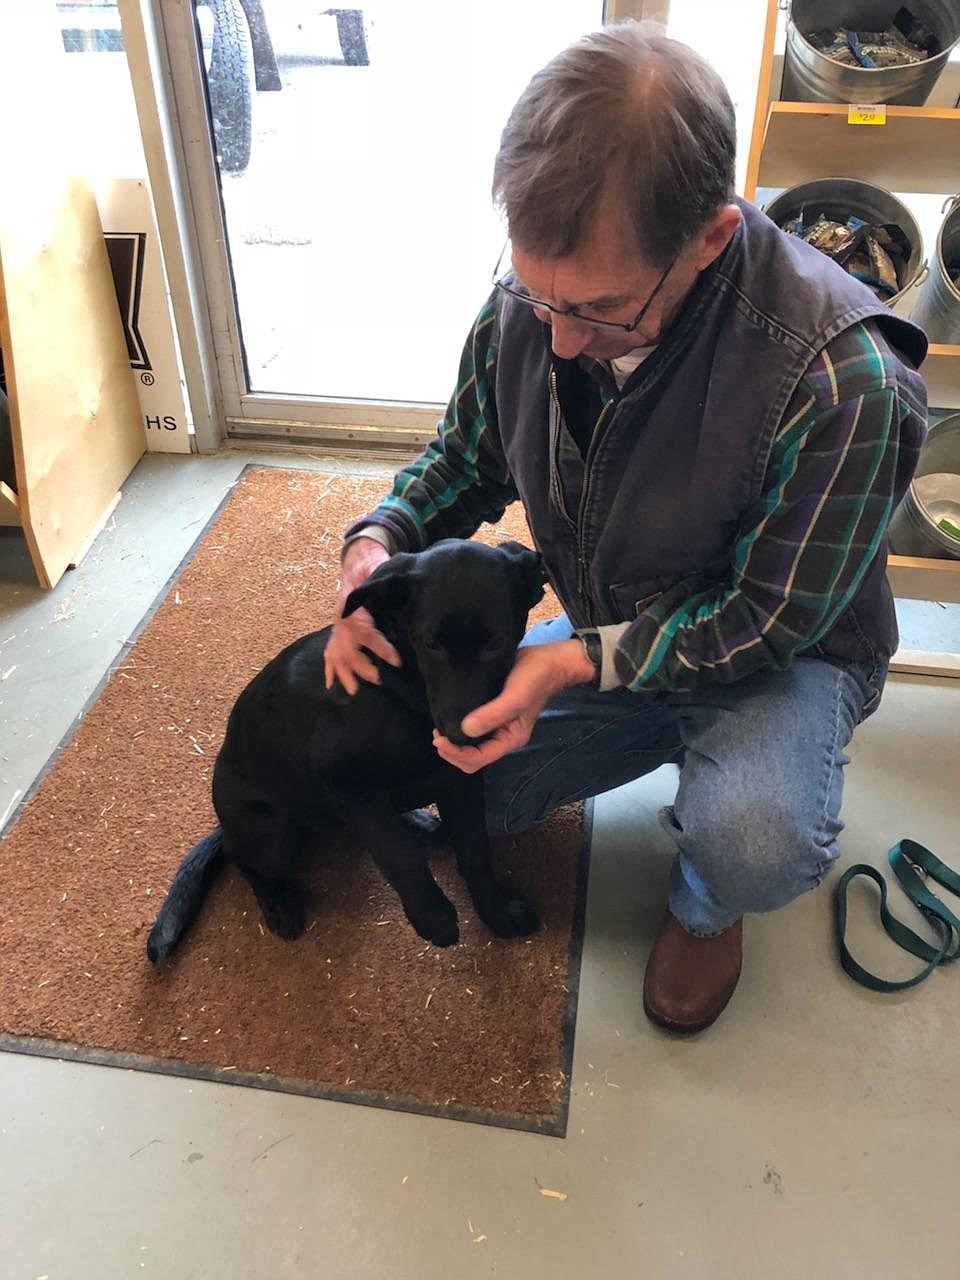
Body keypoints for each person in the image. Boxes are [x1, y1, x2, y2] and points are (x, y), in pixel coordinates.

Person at [324, 21, 928, 1032]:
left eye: (599, 309)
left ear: (712, 235)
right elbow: (468, 454)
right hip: (621, 622)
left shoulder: (845, 381)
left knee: (756, 832)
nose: (558, 335)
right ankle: (651, 736)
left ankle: (708, 902)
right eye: (538, 292)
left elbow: (762, 621)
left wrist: (566, 665)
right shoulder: (540, 297)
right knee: (450, 764)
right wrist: (375, 545)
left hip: (783, 655)